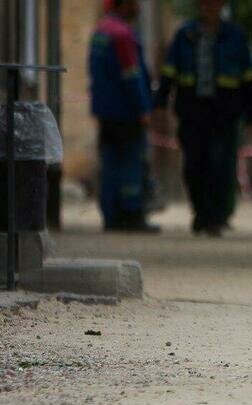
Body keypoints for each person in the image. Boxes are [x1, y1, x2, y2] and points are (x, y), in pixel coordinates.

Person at [154, 0, 252, 237]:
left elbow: (248, 76)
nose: (209, 7)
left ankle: (215, 216)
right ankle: (200, 211)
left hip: (224, 111)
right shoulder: (185, 35)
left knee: (219, 163)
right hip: (192, 111)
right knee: (194, 164)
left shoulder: (234, 36)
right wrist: (160, 103)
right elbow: (170, 70)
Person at [88, 0, 160, 233]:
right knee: (131, 163)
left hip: (105, 112)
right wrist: (143, 108)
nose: (138, 6)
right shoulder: (122, 35)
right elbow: (132, 75)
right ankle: (130, 213)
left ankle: (110, 215)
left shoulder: (100, 32)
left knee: (109, 163)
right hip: (126, 112)